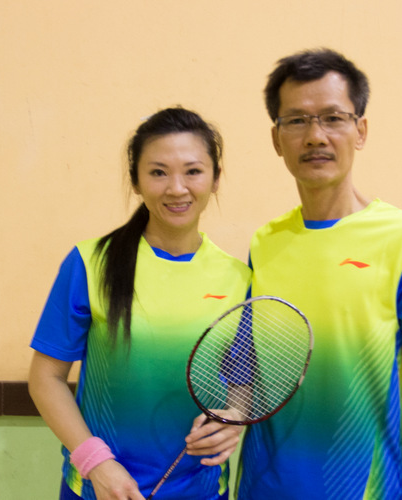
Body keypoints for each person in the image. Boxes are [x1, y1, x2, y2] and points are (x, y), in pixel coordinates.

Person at [236, 49, 402, 500]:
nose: (315, 136)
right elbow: (248, 367)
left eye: (333, 118)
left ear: (360, 131)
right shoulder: (265, 242)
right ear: (276, 138)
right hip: (262, 490)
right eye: (297, 121)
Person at [28, 107, 251, 500]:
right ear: (136, 180)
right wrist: (96, 463)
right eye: (158, 171)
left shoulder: (238, 279)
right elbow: (45, 379)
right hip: (99, 489)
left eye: (193, 171)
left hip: (200, 490)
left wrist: (234, 417)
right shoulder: (89, 263)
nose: (177, 188)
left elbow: (240, 379)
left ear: (216, 179)